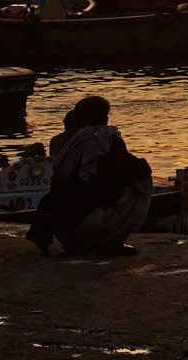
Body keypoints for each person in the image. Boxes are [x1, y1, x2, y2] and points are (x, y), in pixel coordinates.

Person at [27, 96, 153, 257]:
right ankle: (111, 243)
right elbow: (140, 170)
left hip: (62, 229)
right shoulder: (105, 139)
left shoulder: (67, 143)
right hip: (84, 223)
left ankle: (81, 245)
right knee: (144, 181)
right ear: (105, 118)